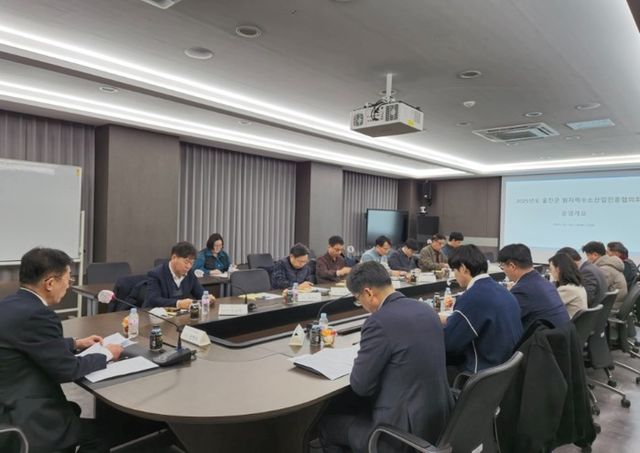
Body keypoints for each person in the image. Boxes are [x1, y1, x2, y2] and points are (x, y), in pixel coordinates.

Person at [318, 262, 452, 453]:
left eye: (358, 300)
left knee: (328, 423)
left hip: (398, 434)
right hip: (439, 421)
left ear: (368, 293)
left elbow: (361, 386)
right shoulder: (426, 309)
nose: (361, 306)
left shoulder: (378, 322)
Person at [0, 247, 123, 453]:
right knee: (101, 435)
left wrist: (75, 343)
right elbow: (67, 370)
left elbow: (31, 343)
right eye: (68, 279)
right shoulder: (38, 315)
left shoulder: (11, 303)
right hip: (24, 414)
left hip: (7, 397)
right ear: (50, 283)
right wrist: (107, 353)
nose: (68, 285)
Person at [443, 245, 522, 377]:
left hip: (482, 375)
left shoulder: (472, 297)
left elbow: (449, 343)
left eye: (454, 270)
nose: (454, 275)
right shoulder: (503, 291)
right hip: (507, 370)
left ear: (463, 268)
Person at [498, 243, 570, 329]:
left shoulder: (522, 290)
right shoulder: (545, 283)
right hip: (562, 334)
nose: (503, 271)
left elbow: (504, 320)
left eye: (502, 266)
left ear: (512, 266)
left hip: (547, 336)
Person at [145, 241, 215, 309]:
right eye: (186, 262)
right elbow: (154, 299)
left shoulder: (190, 273)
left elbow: (199, 291)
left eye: (191, 263)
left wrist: (207, 297)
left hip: (181, 314)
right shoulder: (156, 274)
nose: (188, 266)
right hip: (155, 313)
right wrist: (178, 303)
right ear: (174, 257)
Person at [582, 241, 627, 310]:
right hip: (614, 306)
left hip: (610, 309)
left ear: (595, 255)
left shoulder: (605, 270)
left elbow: (594, 293)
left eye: (587, 256)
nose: (587, 259)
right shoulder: (609, 265)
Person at [548, 253, 588, 318]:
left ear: (558, 269)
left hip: (569, 323)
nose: (550, 272)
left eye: (550, 269)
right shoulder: (577, 285)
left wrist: (550, 282)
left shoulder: (567, 289)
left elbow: (547, 306)